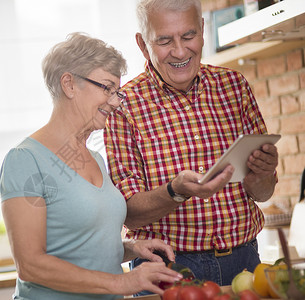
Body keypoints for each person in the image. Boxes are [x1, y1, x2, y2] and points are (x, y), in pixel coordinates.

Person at [103, 0, 279, 294]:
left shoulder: (234, 86)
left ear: (202, 30)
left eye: (188, 36)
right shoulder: (123, 106)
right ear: (143, 45)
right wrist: (176, 191)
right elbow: (129, 214)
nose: (180, 51)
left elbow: (263, 194)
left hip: (246, 262)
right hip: (168, 270)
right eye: (164, 40)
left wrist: (263, 173)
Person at [0, 32, 183, 300]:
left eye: (116, 91)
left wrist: (131, 248)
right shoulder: (25, 160)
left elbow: (80, 247)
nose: (115, 101)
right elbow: (31, 265)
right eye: (107, 88)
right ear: (69, 84)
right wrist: (122, 283)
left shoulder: (95, 158)